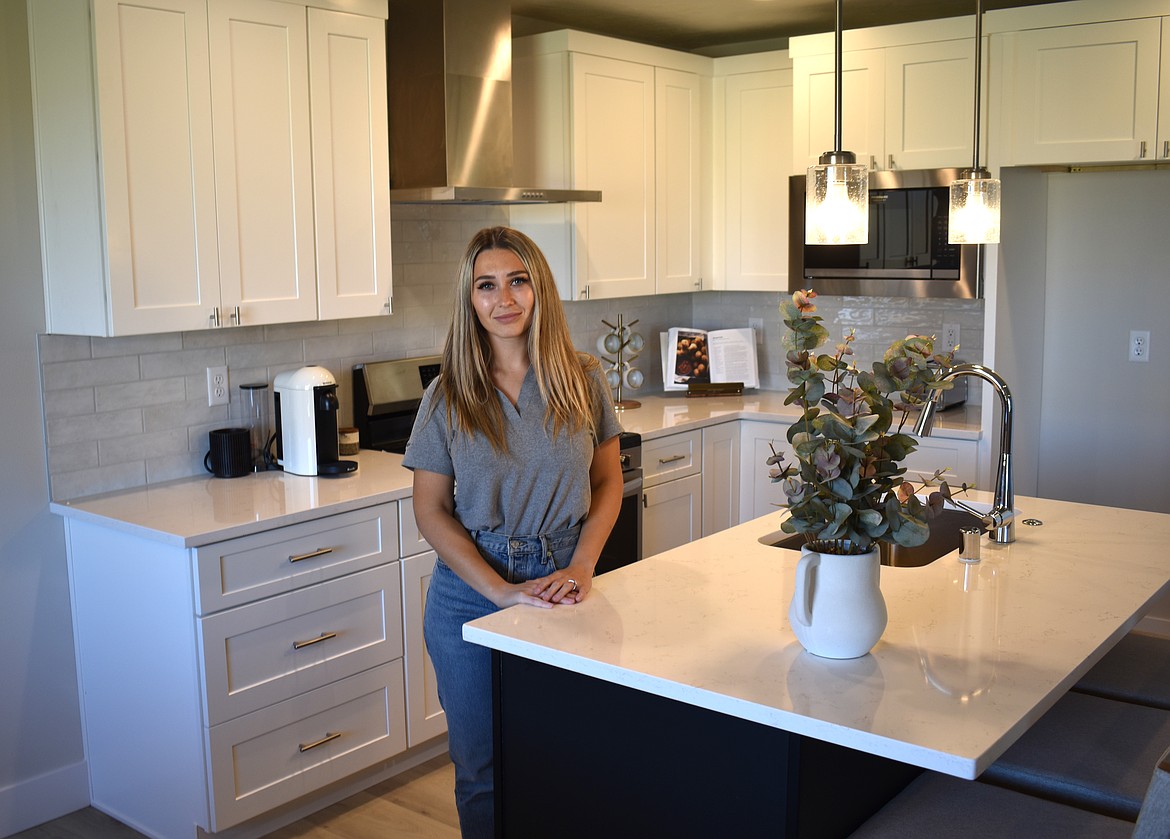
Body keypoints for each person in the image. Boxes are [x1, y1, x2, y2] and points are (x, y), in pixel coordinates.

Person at [403, 226, 624, 839]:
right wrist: (499, 590)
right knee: (482, 770)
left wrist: (581, 566)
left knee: (571, 756)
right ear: (470, 301)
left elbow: (608, 484)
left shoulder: (582, 377)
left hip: (563, 583)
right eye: (487, 286)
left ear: (540, 289)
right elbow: (430, 511)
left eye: (518, 280)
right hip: (469, 594)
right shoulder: (446, 395)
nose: (505, 298)